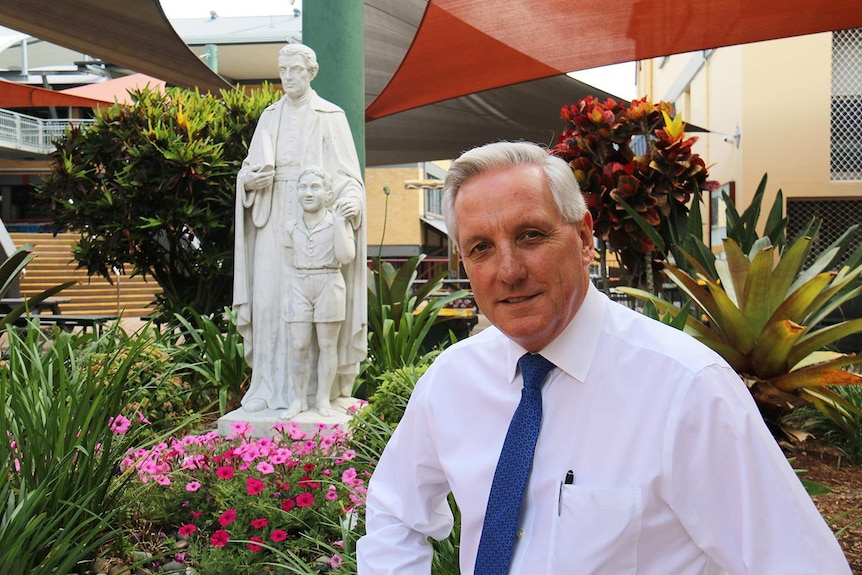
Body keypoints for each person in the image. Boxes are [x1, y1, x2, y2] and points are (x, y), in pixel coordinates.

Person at [357, 141, 851, 574]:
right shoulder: (452, 381)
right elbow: (394, 513)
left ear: (585, 237)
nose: (507, 271)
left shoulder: (687, 389)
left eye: (530, 235)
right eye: (481, 248)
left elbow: (797, 562)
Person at [233, 43, 366, 415]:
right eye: (283, 70)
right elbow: (247, 171)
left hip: (314, 215)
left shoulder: (330, 116)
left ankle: (314, 394)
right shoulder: (269, 117)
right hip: (272, 214)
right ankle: (267, 384)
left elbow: (349, 177)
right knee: (269, 299)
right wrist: (248, 183)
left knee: (315, 310)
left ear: (312, 71)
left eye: (295, 69)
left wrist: (351, 202)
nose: (288, 77)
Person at [283, 166, 356, 418]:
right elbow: (287, 261)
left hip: (329, 281)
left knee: (327, 345)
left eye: (315, 187)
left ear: (327, 193)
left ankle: (323, 398)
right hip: (300, 283)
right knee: (299, 344)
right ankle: (299, 399)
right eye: (303, 187)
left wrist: (339, 224)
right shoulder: (291, 226)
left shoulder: (337, 221)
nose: (308, 193)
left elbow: (346, 256)